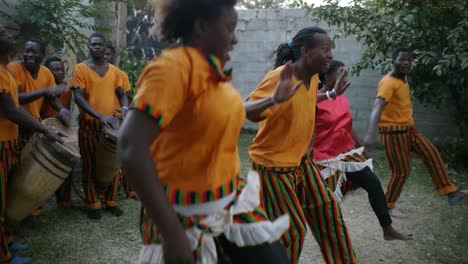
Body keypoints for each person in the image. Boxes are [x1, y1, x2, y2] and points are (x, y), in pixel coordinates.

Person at [118, 0, 295, 263]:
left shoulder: (213, 73)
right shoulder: (172, 69)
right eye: (229, 29)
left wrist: (274, 100)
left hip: (230, 201)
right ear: (201, 27)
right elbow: (130, 146)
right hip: (183, 214)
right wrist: (172, 233)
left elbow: (231, 113)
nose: (234, 40)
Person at [245, 27, 356, 264]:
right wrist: (273, 100)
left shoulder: (313, 76)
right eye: (326, 50)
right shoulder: (280, 76)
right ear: (306, 52)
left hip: (301, 162)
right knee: (292, 233)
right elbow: (246, 110)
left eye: (331, 50)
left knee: (328, 212)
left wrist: (330, 94)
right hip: (272, 167)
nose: (330, 55)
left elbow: (302, 99)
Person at [313, 60, 413, 241]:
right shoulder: (315, 100)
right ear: (327, 76)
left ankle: (387, 229)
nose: (345, 78)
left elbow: (347, 127)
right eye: (341, 74)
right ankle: (330, 241)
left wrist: (362, 148)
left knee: (373, 184)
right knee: (326, 204)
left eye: (346, 74)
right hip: (324, 158)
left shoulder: (342, 98)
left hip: (346, 154)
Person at [364, 47, 468, 217]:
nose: (406, 62)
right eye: (402, 59)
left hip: (409, 130)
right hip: (393, 133)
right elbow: (377, 107)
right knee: (401, 170)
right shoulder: (388, 82)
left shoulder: (403, 78)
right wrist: (370, 135)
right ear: (393, 61)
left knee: (432, 154)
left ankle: (452, 193)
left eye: (409, 60)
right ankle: (388, 205)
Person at [0, 25, 63, 264]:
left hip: (8, 143)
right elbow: (11, 110)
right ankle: (4, 256)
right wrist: (44, 129)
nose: (11, 37)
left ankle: (6, 240)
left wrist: (58, 110)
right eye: (5, 34)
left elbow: (19, 103)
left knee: (5, 196)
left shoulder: (4, 71)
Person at [7, 39, 69, 217]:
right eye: (27, 50)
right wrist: (43, 93)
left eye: (34, 51)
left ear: (43, 55)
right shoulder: (13, 69)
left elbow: (51, 98)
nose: (29, 54)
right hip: (15, 129)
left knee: (27, 173)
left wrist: (62, 109)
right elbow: (14, 101)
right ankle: (10, 218)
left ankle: (25, 211)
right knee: (13, 175)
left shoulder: (46, 73)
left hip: (34, 128)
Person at [71, 33, 128, 219]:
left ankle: (110, 201)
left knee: (113, 165)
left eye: (99, 45)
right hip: (89, 125)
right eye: (92, 44)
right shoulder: (81, 69)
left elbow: (122, 93)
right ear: (89, 47)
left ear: (105, 48)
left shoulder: (115, 71)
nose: (95, 47)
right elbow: (78, 97)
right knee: (89, 163)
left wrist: (125, 108)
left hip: (111, 127)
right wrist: (100, 116)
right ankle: (93, 203)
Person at [103, 44, 136, 199]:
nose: (105, 57)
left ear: (114, 56)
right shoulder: (94, 71)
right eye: (104, 54)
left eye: (108, 54)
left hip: (118, 121)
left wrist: (125, 114)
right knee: (105, 161)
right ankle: (103, 194)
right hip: (101, 120)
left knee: (122, 159)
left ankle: (126, 191)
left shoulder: (120, 74)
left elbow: (126, 97)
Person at [42, 56, 74, 209]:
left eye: (62, 69)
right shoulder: (42, 87)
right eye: (55, 69)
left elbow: (65, 111)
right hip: (44, 129)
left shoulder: (67, 89)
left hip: (61, 131)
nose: (60, 72)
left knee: (67, 162)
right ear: (47, 71)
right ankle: (38, 205)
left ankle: (64, 200)